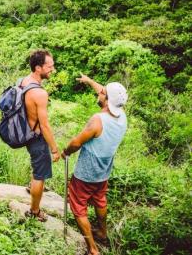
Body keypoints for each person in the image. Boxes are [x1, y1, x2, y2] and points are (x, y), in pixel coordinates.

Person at [61, 74, 128, 255]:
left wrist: (65, 152)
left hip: (86, 173)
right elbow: (106, 92)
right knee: (100, 199)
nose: (99, 92)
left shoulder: (98, 120)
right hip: (104, 171)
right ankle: (103, 232)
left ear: (106, 100)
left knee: (78, 206)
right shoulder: (122, 116)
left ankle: (92, 249)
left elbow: (76, 143)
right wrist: (90, 81)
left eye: (102, 93)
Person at [20, 49, 60, 222]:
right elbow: (44, 125)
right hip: (37, 138)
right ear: (38, 68)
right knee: (40, 175)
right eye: (49, 66)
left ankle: (32, 188)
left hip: (27, 133)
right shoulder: (40, 93)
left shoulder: (24, 81)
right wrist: (55, 149)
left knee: (37, 169)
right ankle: (34, 212)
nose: (53, 69)